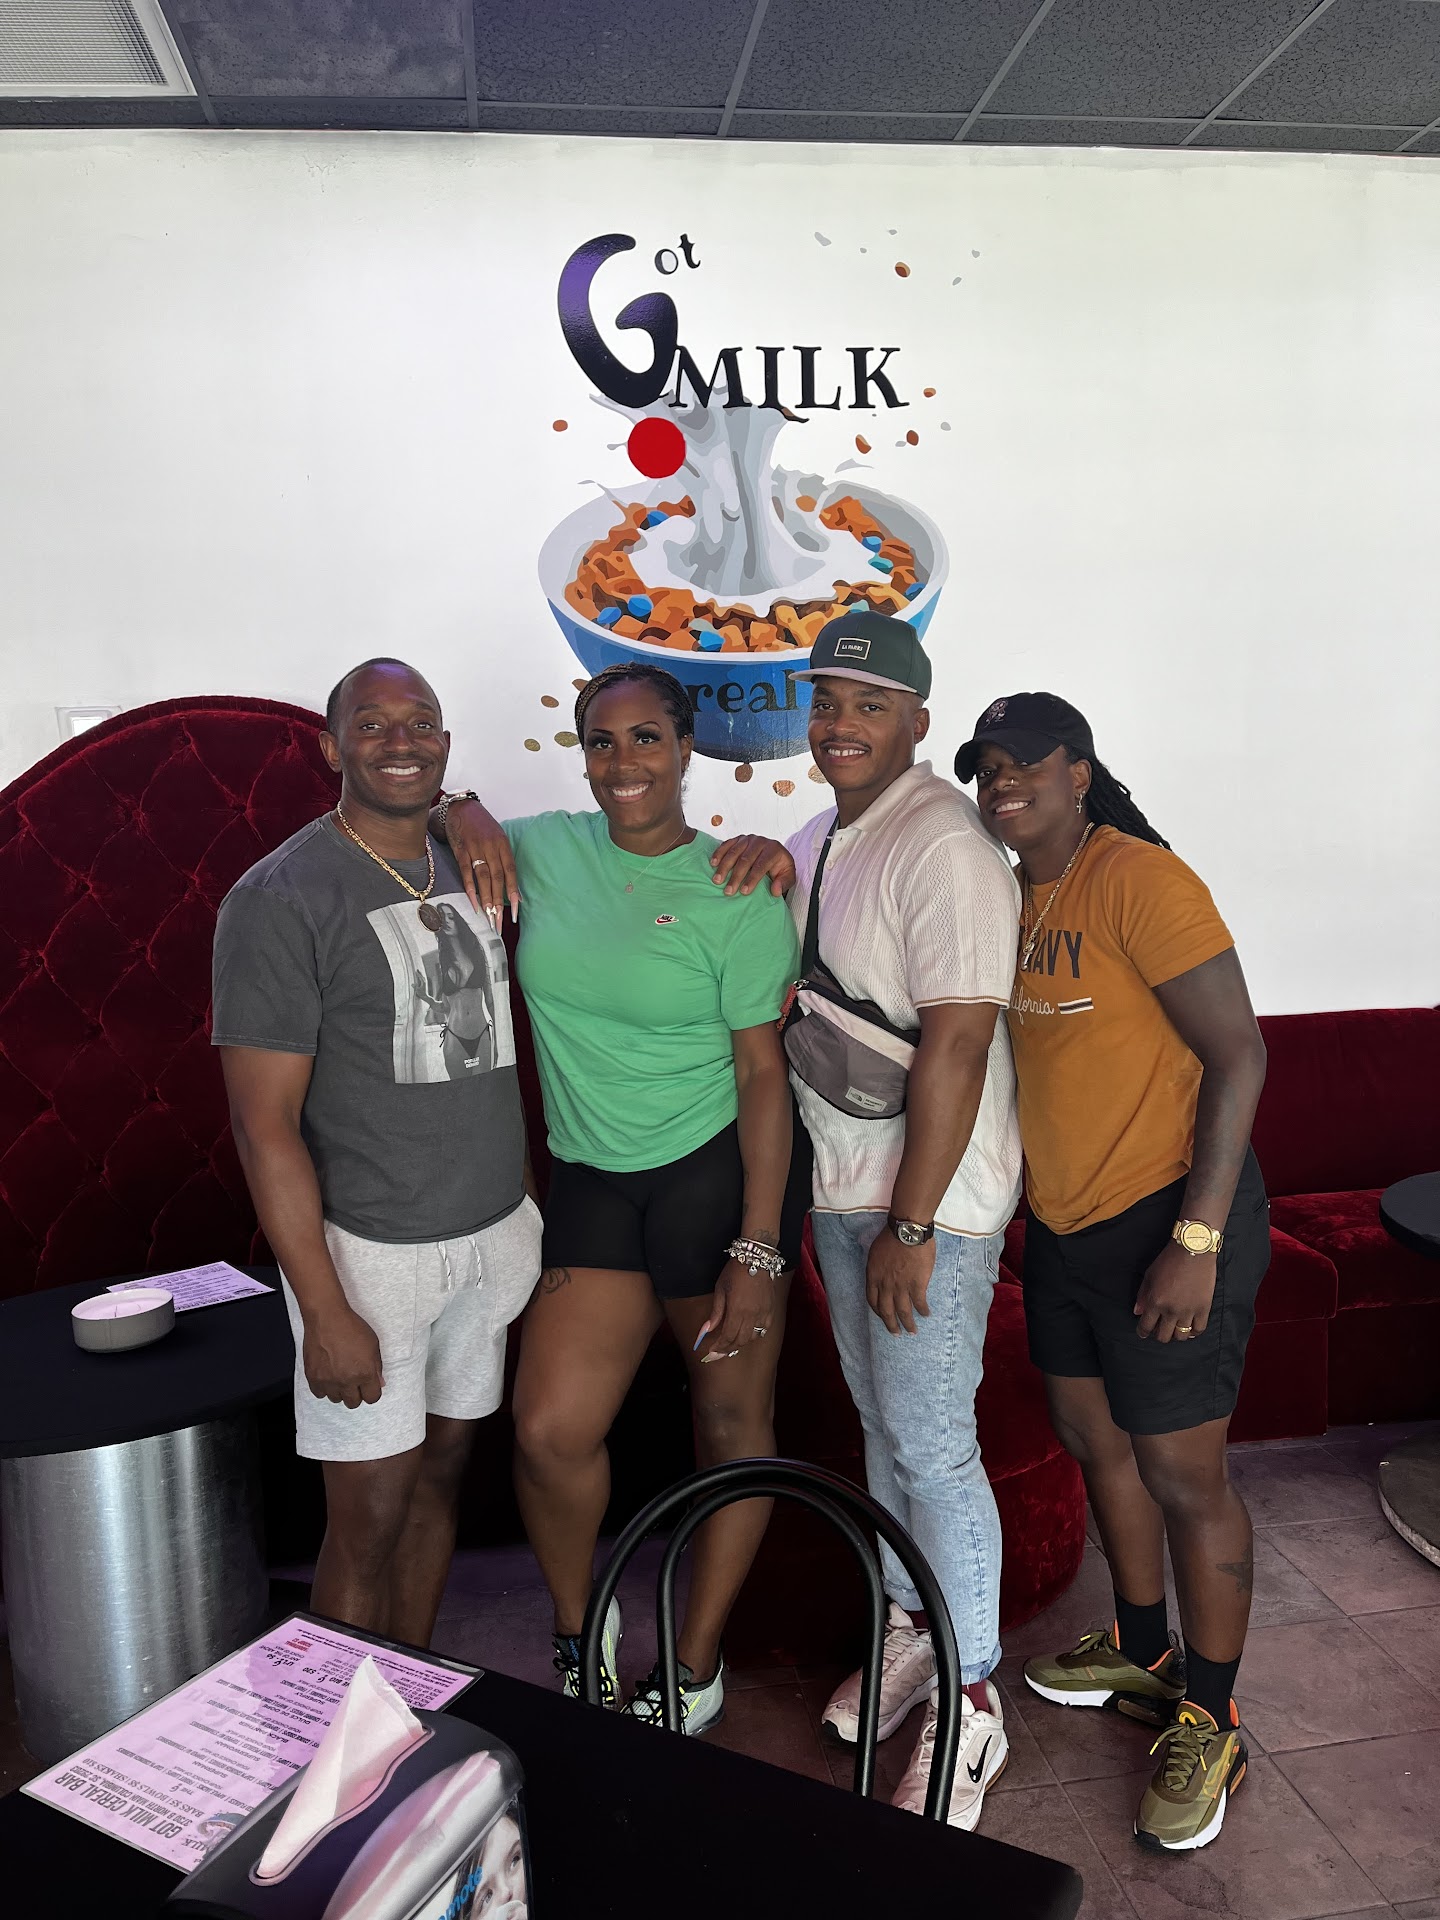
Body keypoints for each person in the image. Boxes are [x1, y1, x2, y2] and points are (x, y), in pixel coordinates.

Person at [439, 661, 807, 1734]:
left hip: (713, 1179)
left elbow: (762, 1077)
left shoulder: (737, 886)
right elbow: (435, 823)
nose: (624, 762)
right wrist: (463, 803)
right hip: (593, 1179)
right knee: (549, 1429)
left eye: (647, 739)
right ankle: (580, 1634)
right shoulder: (546, 850)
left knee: (730, 1425)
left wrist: (757, 1249)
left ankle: (695, 1665)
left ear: (686, 749)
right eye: (603, 741)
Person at [715, 608, 1025, 1830]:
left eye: (871, 705)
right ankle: (911, 1628)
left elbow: (959, 1043)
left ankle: (974, 1696)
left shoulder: (943, 844)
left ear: (917, 721)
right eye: (828, 701)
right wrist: (762, 852)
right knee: (887, 1430)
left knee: (934, 1444)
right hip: (846, 1188)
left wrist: (913, 1224)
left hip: (925, 1209)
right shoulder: (827, 832)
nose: (841, 724)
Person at [954, 690, 1269, 1854]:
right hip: (1066, 1226)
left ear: (1079, 773)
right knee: (1095, 1441)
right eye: (987, 767)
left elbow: (1240, 1055)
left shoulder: (1140, 879)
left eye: (1025, 763)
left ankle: (1213, 1720)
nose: (1001, 784)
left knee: (1185, 1475)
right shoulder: (1009, 893)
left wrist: (1198, 1242)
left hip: (1169, 1219)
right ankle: (1143, 1653)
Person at [212, 658, 541, 1646]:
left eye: (421, 723)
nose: (401, 742)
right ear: (331, 747)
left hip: (492, 1236)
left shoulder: (468, 855)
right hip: (371, 1258)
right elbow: (263, 1125)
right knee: (366, 1521)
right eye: (372, 724)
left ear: (445, 742)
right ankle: (338, 1738)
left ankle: (406, 1695)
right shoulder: (281, 897)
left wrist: (464, 806)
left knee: (440, 1479)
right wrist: (324, 1309)